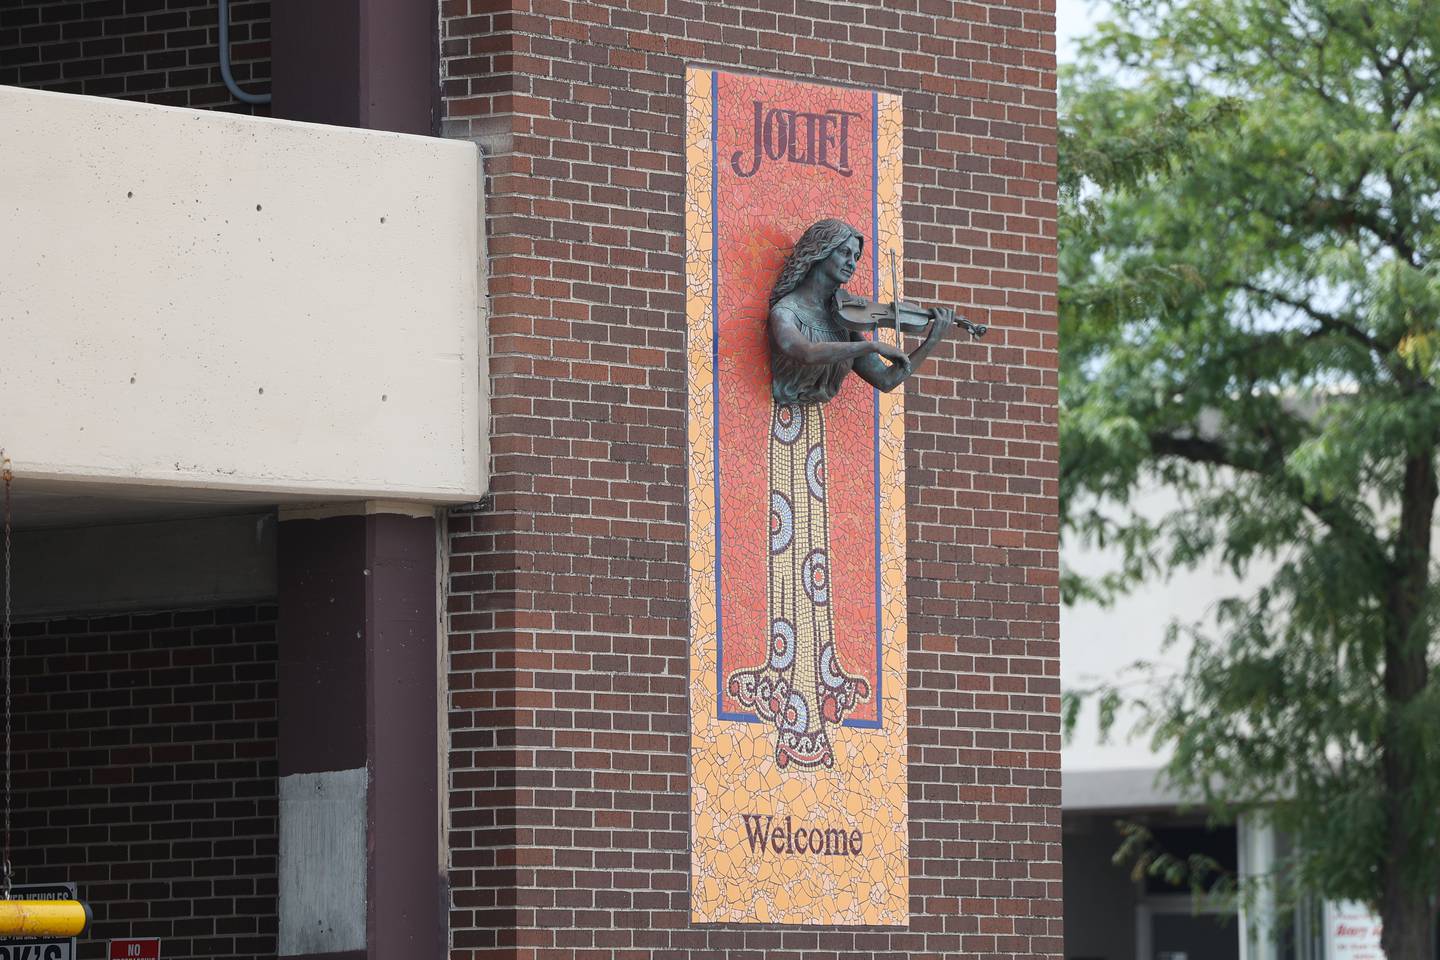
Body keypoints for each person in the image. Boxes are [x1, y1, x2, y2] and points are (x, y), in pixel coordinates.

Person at [726, 218, 954, 769]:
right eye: (844, 252)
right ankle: (788, 673)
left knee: (813, 554)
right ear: (818, 253)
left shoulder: (845, 320)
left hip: (812, 443)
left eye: (857, 254)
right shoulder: (792, 314)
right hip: (782, 428)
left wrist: (925, 345)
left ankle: (811, 670)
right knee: (786, 543)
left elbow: (886, 380)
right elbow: (799, 351)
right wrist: (862, 344)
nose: (853, 262)